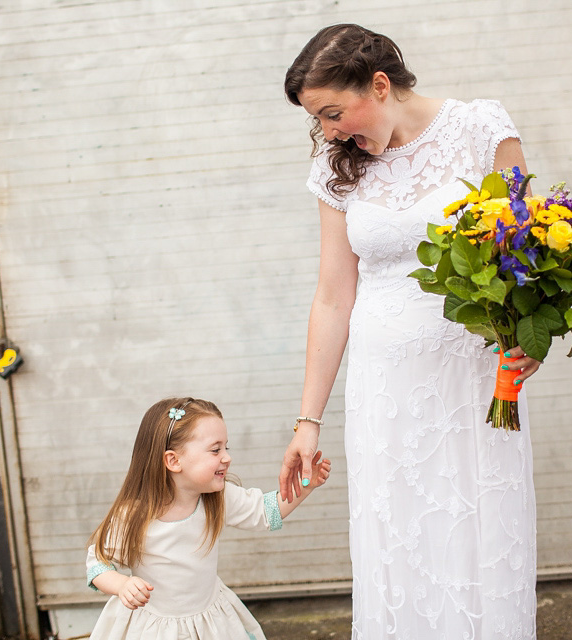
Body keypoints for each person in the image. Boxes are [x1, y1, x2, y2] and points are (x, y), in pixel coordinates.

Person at [278, 24, 540, 639]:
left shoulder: (480, 128)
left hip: (473, 385)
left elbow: (524, 251)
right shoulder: (335, 165)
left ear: (379, 83)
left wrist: (531, 333)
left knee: (478, 533)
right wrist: (307, 422)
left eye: (334, 113)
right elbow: (333, 295)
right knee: (400, 542)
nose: (330, 133)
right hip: (384, 393)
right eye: (319, 121)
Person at [87, 397, 332, 640]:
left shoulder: (218, 498)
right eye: (215, 450)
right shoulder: (133, 516)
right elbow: (98, 566)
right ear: (173, 460)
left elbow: (265, 512)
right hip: (152, 626)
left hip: (209, 623)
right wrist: (121, 586)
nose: (227, 457)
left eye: (226, 447)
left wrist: (305, 486)